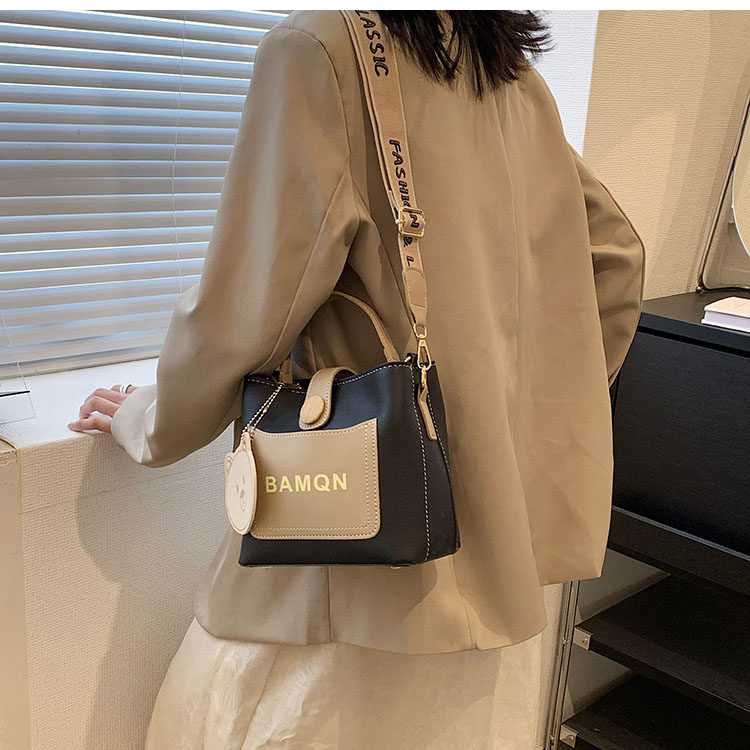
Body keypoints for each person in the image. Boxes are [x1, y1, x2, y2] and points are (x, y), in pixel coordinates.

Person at [69, 10, 645, 749]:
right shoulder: (508, 75)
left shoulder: (320, 49)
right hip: (491, 579)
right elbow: (615, 259)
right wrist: (511, 417)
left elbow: (246, 306)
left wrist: (147, 420)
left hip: (353, 565)